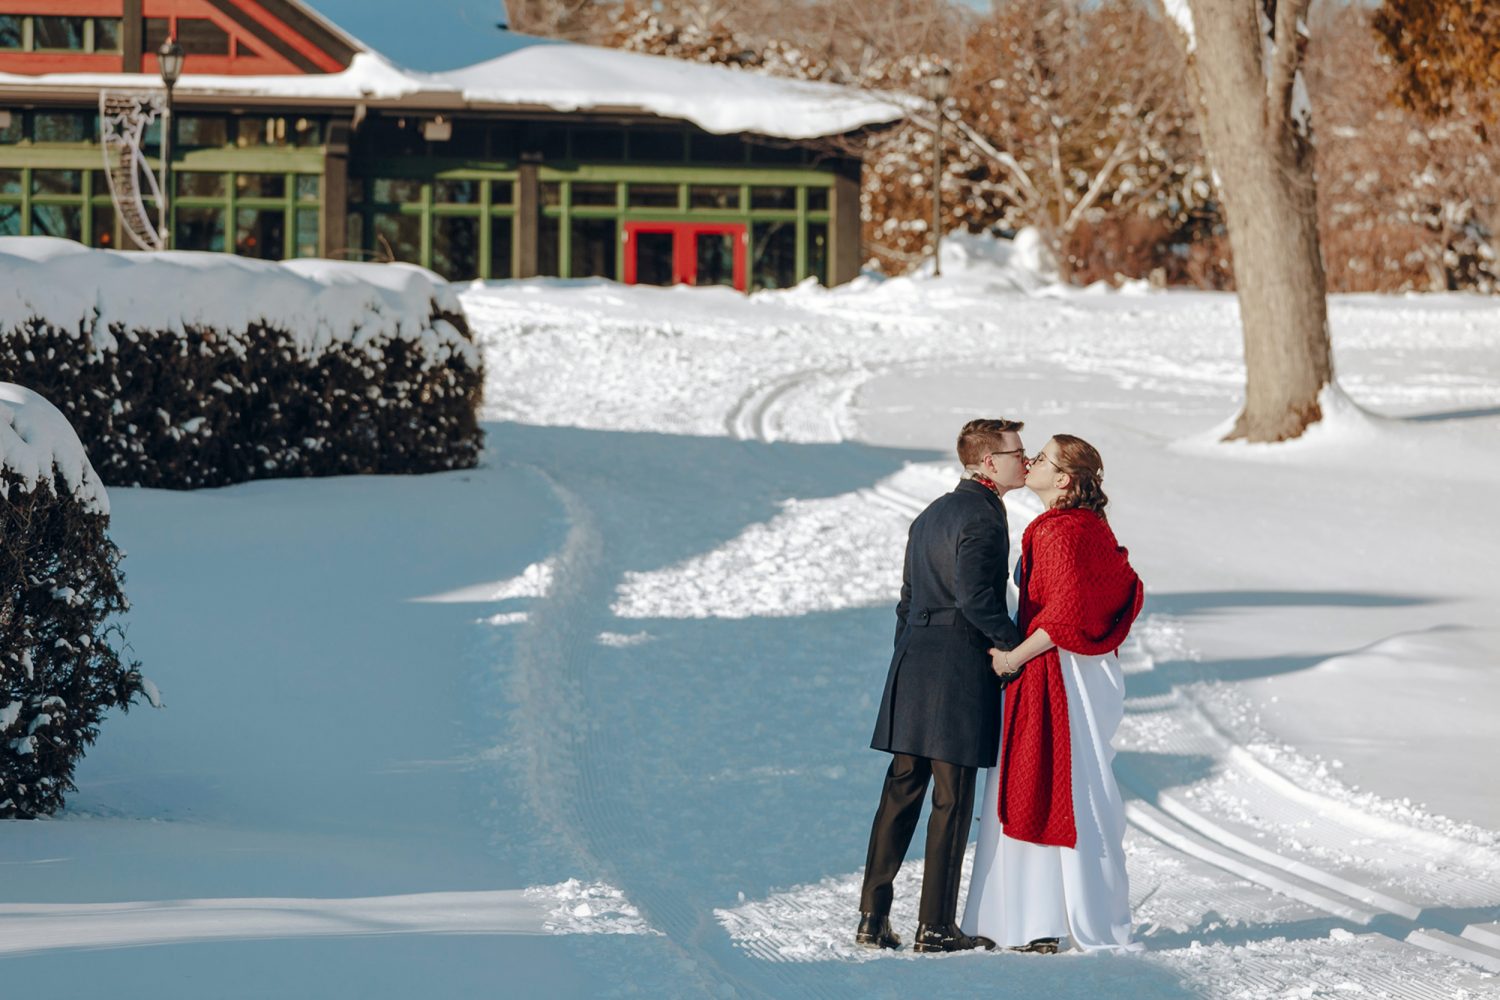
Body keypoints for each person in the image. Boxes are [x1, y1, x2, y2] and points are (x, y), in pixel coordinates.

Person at [960, 434, 1144, 954]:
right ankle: (1051, 913)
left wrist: (1012, 657)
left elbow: (1062, 616)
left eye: (1041, 458)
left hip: (1053, 674)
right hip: (1081, 671)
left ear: (1063, 479)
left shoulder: (1060, 532)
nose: (1031, 462)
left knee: (1043, 781)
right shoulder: (1091, 529)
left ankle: (1033, 918)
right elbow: (1124, 586)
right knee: (1073, 785)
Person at [856, 418, 1027, 953]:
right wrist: (1015, 647)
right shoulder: (983, 514)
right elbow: (978, 599)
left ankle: (872, 918)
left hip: (913, 661)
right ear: (986, 463)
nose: (1025, 460)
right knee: (951, 799)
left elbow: (907, 602)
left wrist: (909, 656)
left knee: (900, 792)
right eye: (1016, 453)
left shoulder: (930, 514)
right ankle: (935, 927)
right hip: (956, 667)